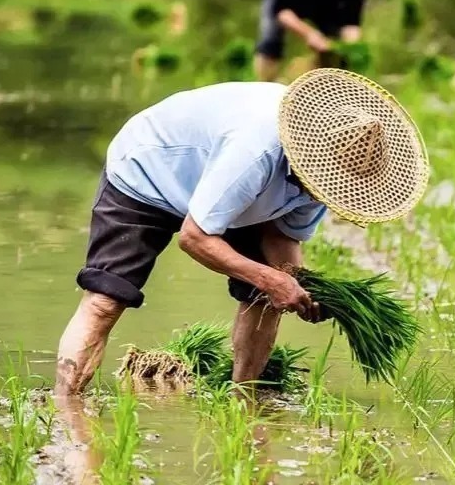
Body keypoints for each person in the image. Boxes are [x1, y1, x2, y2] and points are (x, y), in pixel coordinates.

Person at [53, 69, 430, 397]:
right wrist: (270, 278)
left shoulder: (331, 175)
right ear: (306, 155)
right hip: (149, 171)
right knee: (106, 301)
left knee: (267, 298)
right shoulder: (255, 149)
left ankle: (243, 400)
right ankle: (65, 409)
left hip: (232, 194)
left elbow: (283, 238)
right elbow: (195, 237)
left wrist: (298, 285)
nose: (322, 193)